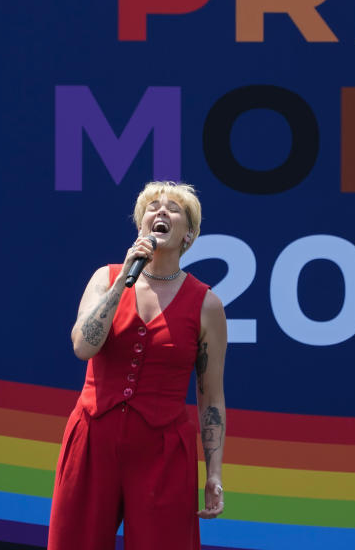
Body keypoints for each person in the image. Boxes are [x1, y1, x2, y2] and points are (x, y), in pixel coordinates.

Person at [47, 181, 227, 550]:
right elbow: (83, 346)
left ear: (188, 234)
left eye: (173, 209)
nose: (161, 212)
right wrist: (123, 282)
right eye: (152, 207)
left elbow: (211, 397)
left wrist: (214, 473)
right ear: (140, 225)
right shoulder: (107, 278)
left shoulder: (206, 304)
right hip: (93, 437)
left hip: (163, 450)